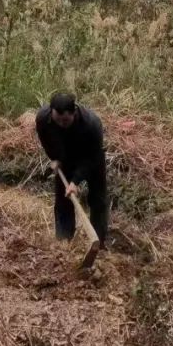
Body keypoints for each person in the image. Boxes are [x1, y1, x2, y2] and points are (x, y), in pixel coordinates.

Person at [35, 91, 109, 244]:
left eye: (66, 121)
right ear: (51, 112)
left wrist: (75, 182)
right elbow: (45, 139)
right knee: (63, 199)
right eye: (58, 120)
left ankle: (98, 243)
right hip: (65, 158)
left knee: (98, 200)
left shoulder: (91, 124)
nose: (61, 124)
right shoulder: (43, 118)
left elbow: (92, 158)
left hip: (90, 158)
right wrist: (54, 158)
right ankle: (64, 240)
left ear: (74, 113)